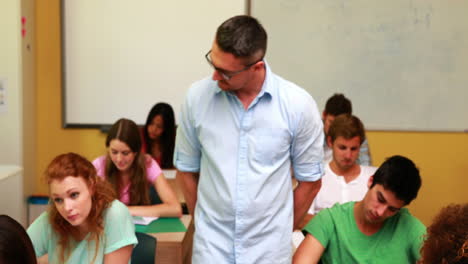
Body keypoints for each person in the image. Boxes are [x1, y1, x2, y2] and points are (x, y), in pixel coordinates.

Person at [174, 15, 324, 263]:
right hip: (211, 249)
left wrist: (280, 231)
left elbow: (310, 183)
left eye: (225, 72)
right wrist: (203, 223)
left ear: (257, 67)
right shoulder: (196, 98)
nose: (214, 76)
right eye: (213, 62)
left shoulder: (298, 106)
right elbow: (186, 171)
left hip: (269, 252)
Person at [293, 155, 426, 264]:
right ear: (370, 181)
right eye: (380, 199)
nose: (380, 212)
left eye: (392, 209)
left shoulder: (409, 228)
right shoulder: (331, 220)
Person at [27, 152, 137, 264]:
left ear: (91, 186)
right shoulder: (51, 220)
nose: (66, 208)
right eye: (58, 200)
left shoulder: (115, 214)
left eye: (74, 195)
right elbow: (17, 252)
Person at [299, 114, 377, 229]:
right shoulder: (314, 176)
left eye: (354, 149)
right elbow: (301, 219)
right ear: (330, 142)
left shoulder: (373, 177)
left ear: (360, 146)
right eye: (342, 148)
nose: (348, 155)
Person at [93, 118, 181, 217]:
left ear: (136, 152)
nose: (119, 159)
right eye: (114, 152)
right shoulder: (98, 165)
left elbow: (175, 208)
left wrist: (123, 210)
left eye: (125, 153)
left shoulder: (148, 164)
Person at [322, 93, 372, 165]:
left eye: (340, 125)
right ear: (324, 115)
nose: (334, 129)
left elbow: (366, 165)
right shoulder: (312, 131)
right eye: (331, 122)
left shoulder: (355, 132)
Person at [142, 102, 176, 169]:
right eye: (151, 123)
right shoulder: (140, 138)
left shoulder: (175, 144)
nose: (153, 129)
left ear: (167, 129)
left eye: (159, 126)